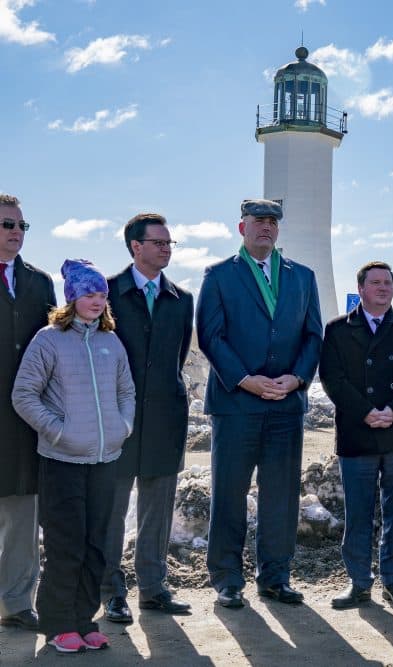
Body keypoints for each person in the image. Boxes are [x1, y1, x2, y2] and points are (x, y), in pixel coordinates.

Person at [196, 199, 322, 609]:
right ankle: (228, 579)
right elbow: (211, 336)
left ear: (278, 230)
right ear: (241, 227)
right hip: (237, 405)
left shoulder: (302, 276)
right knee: (229, 492)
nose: (266, 228)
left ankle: (275, 577)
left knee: (281, 494)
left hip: (286, 404)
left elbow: (313, 335)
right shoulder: (218, 276)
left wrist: (298, 377)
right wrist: (245, 380)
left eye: (272, 222)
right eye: (258, 222)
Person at [12, 259, 135, 653]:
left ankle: (85, 620)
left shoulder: (110, 341)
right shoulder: (48, 339)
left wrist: (122, 428)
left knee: (97, 544)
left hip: (105, 460)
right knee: (67, 545)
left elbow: (126, 392)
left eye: (101, 294)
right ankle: (58, 625)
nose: (96, 301)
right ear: (71, 298)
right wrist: (59, 431)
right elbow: (24, 395)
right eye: (88, 294)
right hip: (62, 461)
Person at [102, 213, 194, 623]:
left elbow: (175, 360)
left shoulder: (181, 298)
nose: (166, 248)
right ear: (136, 247)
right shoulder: (106, 292)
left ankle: (154, 588)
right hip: (116, 422)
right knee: (112, 511)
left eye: (169, 243)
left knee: (157, 511)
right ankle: (110, 590)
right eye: (159, 242)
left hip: (165, 420)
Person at [319, 261, 393, 609]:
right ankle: (359, 581)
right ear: (361, 288)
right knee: (359, 512)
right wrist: (365, 411)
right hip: (357, 433)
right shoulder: (336, 330)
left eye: (388, 283)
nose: (383, 288)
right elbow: (333, 379)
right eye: (375, 283)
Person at [0, 194, 55, 635]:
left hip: (23, 420)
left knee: (22, 514)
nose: (16, 232)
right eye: (6, 225)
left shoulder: (39, 283)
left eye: (21, 226)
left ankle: (16, 603)